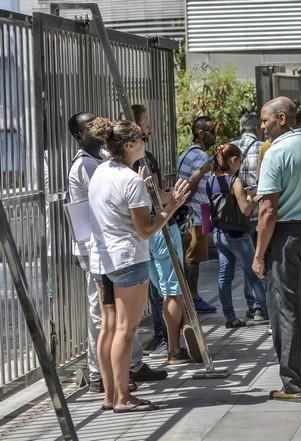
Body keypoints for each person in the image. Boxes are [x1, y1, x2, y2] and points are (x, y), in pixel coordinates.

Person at [88, 118, 190, 412]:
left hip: (102, 258)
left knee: (108, 327)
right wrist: (172, 207)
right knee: (125, 328)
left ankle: (110, 395)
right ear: (130, 145)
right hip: (128, 259)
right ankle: (122, 397)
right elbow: (145, 229)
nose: (146, 143)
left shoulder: (101, 172)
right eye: (142, 140)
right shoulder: (130, 180)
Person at [67, 113, 166, 394]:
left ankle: (119, 381)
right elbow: (135, 221)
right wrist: (165, 207)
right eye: (88, 127)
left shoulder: (101, 166)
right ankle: (110, 382)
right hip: (109, 250)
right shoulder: (88, 166)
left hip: (105, 249)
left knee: (113, 324)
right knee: (115, 324)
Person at [253, 97, 301, 402]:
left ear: (282, 118)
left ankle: (293, 384)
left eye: (265, 119)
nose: (262, 125)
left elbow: (268, 210)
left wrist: (259, 255)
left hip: (285, 236)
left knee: (285, 310)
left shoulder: (276, 152)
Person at [130, 105, 191, 364]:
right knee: (172, 289)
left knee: (161, 287)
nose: (150, 127)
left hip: (139, 229)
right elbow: (155, 194)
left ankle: (173, 340)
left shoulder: (116, 163)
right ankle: (174, 348)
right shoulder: (145, 158)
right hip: (160, 225)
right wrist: (174, 197)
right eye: (146, 122)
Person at [207, 143, 267, 329]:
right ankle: (268, 312)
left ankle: (230, 317)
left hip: (219, 234)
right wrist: (255, 197)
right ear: (233, 160)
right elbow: (246, 210)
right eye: (239, 161)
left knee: (225, 277)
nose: (239, 164)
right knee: (254, 274)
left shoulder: (210, 180)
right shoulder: (235, 181)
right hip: (238, 235)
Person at [177, 116, 217, 313]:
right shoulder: (200, 157)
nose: (214, 134)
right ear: (200, 133)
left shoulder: (187, 154)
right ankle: (193, 298)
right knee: (193, 259)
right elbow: (191, 185)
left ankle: (191, 296)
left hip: (201, 211)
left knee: (193, 257)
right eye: (211, 130)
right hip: (197, 212)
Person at [232, 113, 268, 322]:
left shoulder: (230, 147)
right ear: (256, 129)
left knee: (246, 263)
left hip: (238, 216)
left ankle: (253, 304)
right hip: (259, 212)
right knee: (260, 258)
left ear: (241, 128)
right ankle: (262, 304)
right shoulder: (264, 148)